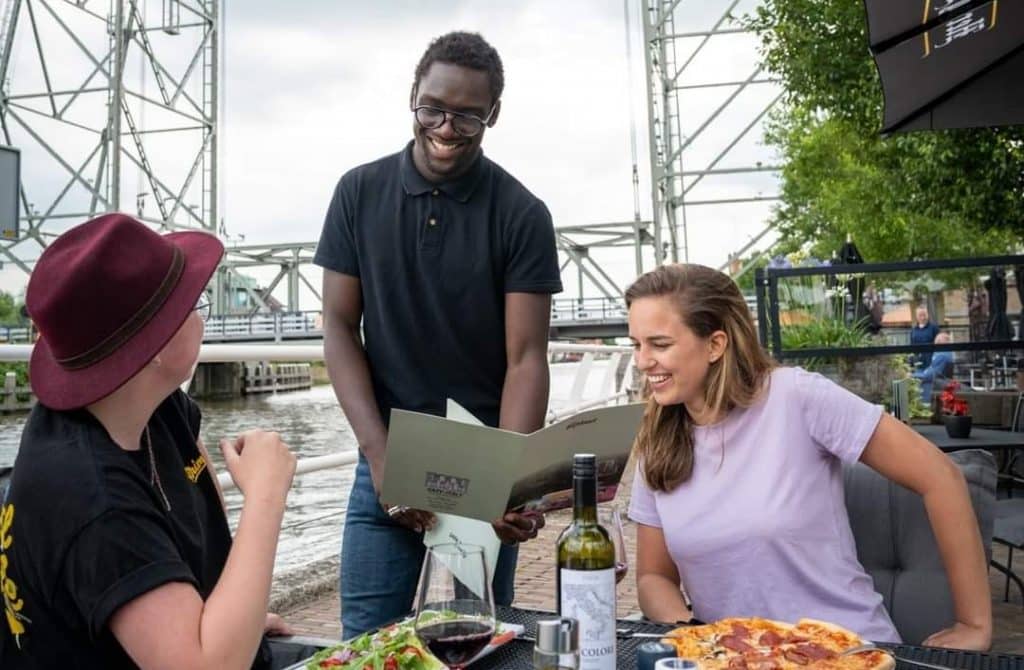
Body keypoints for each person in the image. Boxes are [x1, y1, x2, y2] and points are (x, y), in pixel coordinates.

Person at [314, 31, 563, 638]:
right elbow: (340, 328)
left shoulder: (523, 214)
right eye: (433, 109)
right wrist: (379, 459)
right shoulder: (357, 192)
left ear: (493, 115)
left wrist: (510, 476)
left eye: (468, 116)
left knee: (484, 641)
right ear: (413, 97)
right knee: (368, 645)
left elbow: (527, 357)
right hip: (387, 449)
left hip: (483, 455)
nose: (447, 128)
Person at [626, 264, 991, 649]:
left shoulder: (796, 397)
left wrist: (974, 624)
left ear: (716, 345)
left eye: (659, 344)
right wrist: (698, 636)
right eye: (636, 344)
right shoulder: (658, 440)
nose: (642, 360)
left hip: (845, 653)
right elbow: (654, 577)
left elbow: (941, 477)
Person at [0, 213, 297, 669]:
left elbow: (206, 560)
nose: (202, 314)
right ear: (155, 344)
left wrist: (236, 620)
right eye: (193, 304)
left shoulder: (154, 410)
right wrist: (266, 497)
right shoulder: (94, 500)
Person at [913, 332, 955, 403]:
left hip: (931, 387)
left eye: (937, 341)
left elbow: (930, 376)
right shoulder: (946, 353)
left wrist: (913, 375)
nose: (935, 343)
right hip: (935, 384)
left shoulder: (942, 356)